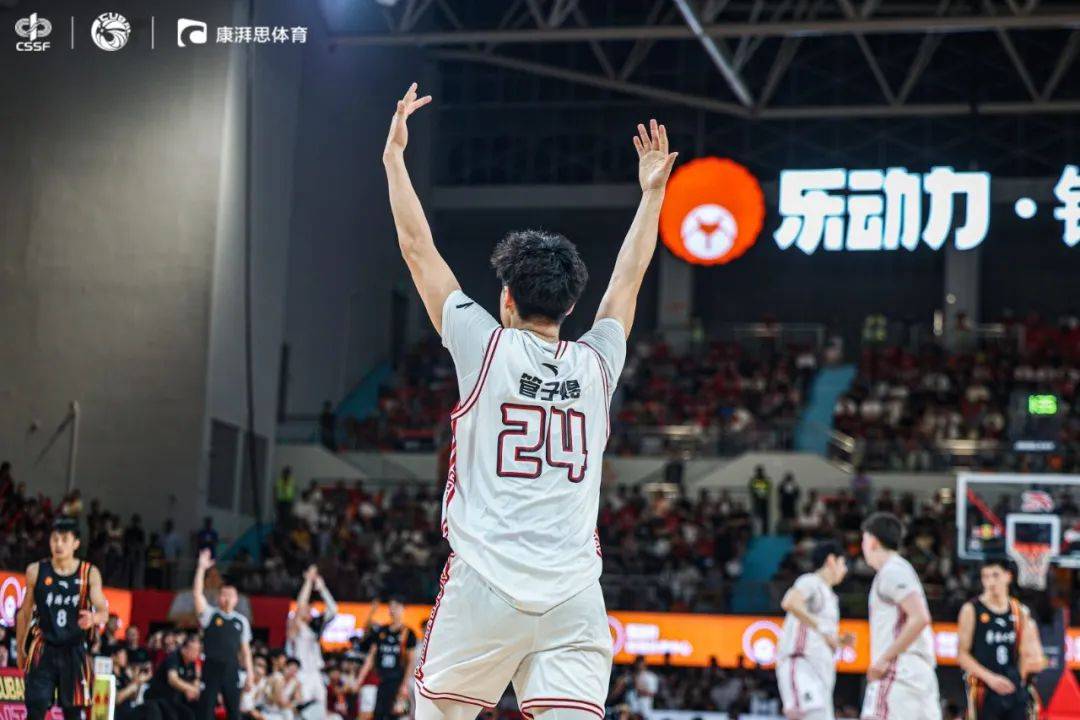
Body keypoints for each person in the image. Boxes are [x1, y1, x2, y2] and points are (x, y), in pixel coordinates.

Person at [383, 82, 676, 720]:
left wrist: (394, 159)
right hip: (574, 596)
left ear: (507, 299)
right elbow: (628, 278)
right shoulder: (598, 363)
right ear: (571, 307)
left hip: (486, 586)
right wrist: (651, 194)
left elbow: (418, 249)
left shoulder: (485, 347)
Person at [16, 517, 110, 720]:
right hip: (43, 648)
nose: (58, 544)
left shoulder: (89, 573)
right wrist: (20, 648)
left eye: (64, 539)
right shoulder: (36, 571)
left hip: (74, 650)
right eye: (55, 539)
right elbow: (24, 613)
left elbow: (104, 611)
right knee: (36, 708)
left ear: (76, 543)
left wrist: (93, 618)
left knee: (73, 713)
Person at [859, 513, 941, 720]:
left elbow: (920, 618)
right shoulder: (900, 568)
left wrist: (884, 659)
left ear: (873, 541)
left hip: (899, 672)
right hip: (917, 674)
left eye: (863, 539)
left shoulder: (892, 571)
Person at [958, 560, 1046, 720]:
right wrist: (991, 679)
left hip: (1014, 688)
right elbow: (962, 655)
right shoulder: (971, 609)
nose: (990, 582)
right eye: (985, 577)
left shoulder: (1020, 612)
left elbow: (1035, 657)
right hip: (984, 687)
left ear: (1008, 576)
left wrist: (1021, 676)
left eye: (995, 575)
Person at [776, 541, 853, 720]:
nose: (845, 570)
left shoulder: (831, 597)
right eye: (843, 563)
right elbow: (790, 602)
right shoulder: (811, 581)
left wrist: (839, 641)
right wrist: (821, 628)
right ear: (831, 560)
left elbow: (820, 632)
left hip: (821, 674)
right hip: (803, 666)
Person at [193, 549, 255, 720]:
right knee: (206, 711)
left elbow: (245, 651)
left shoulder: (241, 621)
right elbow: (197, 594)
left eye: (231, 595)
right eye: (224, 594)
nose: (227, 598)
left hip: (231, 668)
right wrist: (201, 568)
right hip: (211, 667)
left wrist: (250, 674)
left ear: (236, 599)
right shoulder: (210, 615)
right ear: (218, 597)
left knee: (234, 712)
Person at [286, 565, 338, 720]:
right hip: (301, 673)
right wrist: (308, 581)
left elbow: (333, 610)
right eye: (307, 608)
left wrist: (322, 588)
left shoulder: (314, 628)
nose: (308, 611)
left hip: (315, 673)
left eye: (310, 609)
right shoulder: (294, 625)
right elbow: (300, 606)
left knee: (320, 712)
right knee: (303, 713)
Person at [356, 599, 417, 720]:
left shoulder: (408, 633)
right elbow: (371, 657)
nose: (393, 609)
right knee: (376, 715)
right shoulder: (381, 631)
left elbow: (411, 662)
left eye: (397, 606)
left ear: (403, 609)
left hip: (397, 682)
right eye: (391, 606)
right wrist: (359, 679)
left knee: (398, 715)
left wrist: (404, 685)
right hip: (380, 680)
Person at [147, 634, 202, 720]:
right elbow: (173, 680)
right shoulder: (174, 657)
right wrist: (190, 689)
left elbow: (195, 679)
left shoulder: (192, 663)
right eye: (194, 650)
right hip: (158, 698)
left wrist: (194, 689)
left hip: (176, 700)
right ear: (184, 649)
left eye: (198, 650)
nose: (197, 653)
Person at [749, 465, 772, 535]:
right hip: (757, 502)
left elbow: (768, 490)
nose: (759, 473)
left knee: (765, 518)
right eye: (758, 471)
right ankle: (756, 532)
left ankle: (765, 532)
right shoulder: (753, 480)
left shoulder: (766, 480)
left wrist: (763, 494)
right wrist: (758, 494)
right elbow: (752, 490)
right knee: (756, 518)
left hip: (764, 502)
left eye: (760, 471)